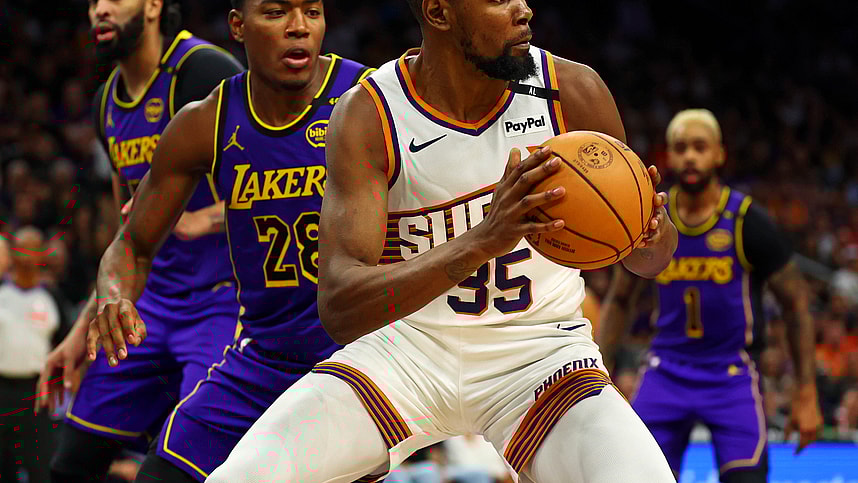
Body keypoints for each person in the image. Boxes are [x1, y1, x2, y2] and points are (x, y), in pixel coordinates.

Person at [208, 0, 679, 481]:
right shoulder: (370, 112)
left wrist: (651, 233)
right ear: (438, 12)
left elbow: (649, 260)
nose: (525, 9)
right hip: (404, 354)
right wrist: (482, 241)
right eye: (499, 0)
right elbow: (340, 305)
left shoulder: (572, 91)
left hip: (540, 354)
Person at [83, 0, 374, 480]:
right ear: (238, 26)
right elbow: (131, 245)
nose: (299, 28)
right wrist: (114, 296)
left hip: (357, 358)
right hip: (263, 356)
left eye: (314, 11)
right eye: (278, 12)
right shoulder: (207, 121)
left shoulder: (370, 93)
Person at [36, 0, 244, 480]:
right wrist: (80, 329)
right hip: (147, 304)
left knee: (176, 470)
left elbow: (277, 175)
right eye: (91, 3)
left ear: (154, 5)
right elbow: (125, 237)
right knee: (68, 466)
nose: (99, 10)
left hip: (222, 302)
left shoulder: (202, 70)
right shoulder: (106, 102)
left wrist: (203, 219)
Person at [596, 109, 823, 482]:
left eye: (699, 147)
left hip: (731, 374)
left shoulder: (748, 221)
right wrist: (603, 378)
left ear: (720, 154)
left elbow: (796, 302)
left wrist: (806, 391)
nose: (689, 156)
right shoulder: (650, 220)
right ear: (668, 155)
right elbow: (619, 299)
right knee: (635, 475)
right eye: (680, 148)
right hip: (666, 369)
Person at [0, 228, 62, 483]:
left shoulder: (54, 298)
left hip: (36, 396)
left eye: (32, 248)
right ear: (12, 254)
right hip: (2, 390)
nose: (26, 255)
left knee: (41, 471)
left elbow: (63, 347)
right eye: (21, 248)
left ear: (42, 255)